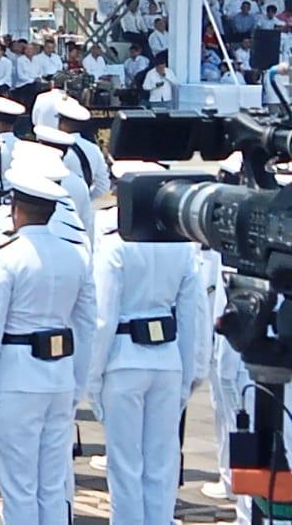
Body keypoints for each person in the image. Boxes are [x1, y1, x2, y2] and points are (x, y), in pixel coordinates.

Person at [0, 171, 94, 525]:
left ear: (16, 210)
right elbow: (86, 326)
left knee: (19, 489)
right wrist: (77, 382)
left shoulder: (4, 257)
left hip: (16, 380)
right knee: (52, 486)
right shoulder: (75, 255)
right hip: (59, 378)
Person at [85, 188, 203, 525]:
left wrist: (93, 377)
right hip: (166, 360)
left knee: (125, 465)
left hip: (123, 361)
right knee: (162, 463)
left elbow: (103, 320)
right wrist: (186, 374)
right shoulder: (182, 249)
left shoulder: (115, 248)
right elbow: (190, 317)